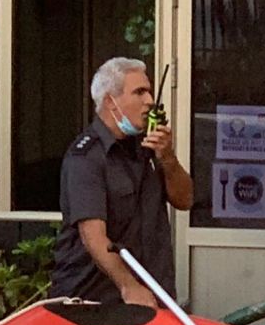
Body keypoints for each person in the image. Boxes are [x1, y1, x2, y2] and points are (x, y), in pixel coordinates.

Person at [51, 57, 194, 307]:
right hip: (94, 301)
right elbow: (93, 235)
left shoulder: (146, 146)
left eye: (149, 91)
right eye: (139, 92)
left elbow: (185, 200)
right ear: (111, 101)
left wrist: (168, 158)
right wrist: (129, 287)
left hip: (153, 293)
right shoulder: (86, 157)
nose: (149, 100)